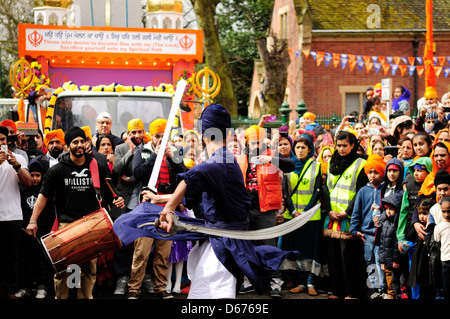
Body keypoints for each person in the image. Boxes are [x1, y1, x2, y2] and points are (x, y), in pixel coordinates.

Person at [157, 104, 300, 299]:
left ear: (205, 135)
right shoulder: (223, 159)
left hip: (224, 243)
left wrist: (168, 208)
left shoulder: (221, 159)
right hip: (218, 239)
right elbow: (197, 190)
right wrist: (160, 198)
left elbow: (191, 177)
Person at [26, 126, 125, 299]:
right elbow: (43, 197)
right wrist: (33, 220)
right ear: (68, 145)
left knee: (89, 271)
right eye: (75, 142)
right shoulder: (57, 170)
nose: (79, 145)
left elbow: (110, 194)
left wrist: (118, 199)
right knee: (62, 271)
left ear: (86, 143)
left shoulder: (97, 167)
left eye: (82, 141)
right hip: (66, 225)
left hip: (92, 225)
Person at [128, 118, 186, 299]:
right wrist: (155, 155)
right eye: (157, 136)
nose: (161, 139)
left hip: (168, 208)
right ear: (150, 137)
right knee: (141, 252)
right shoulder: (142, 151)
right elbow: (137, 174)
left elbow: (185, 174)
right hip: (147, 207)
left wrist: (173, 158)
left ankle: (161, 287)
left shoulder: (174, 152)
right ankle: (133, 289)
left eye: (164, 136)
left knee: (163, 252)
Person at [236, 124, 295, 298]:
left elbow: (290, 165)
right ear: (247, 142)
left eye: (259, 142)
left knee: (270, 247)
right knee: (248, 247)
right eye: (253, 142)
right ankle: (250, 280)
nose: (256, 145)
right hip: (246, 210)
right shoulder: (240, 158)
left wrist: (270, 160)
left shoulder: (271, 155)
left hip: (266, 209)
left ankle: (275, 282)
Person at [322, 130, 369, 299]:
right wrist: (329, 210)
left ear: (353, 146)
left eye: (344, 146)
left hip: (349, 217)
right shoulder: (331, 162)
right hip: (332, 217)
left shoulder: (360, 163)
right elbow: (326, 188)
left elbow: (360, 190)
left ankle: (353, 291)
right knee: (334, 257)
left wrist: (347, 212)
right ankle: (337, 290)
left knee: (349, 257)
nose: (341, 149)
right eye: (338, 145)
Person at [280, 133, 324, 296]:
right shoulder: (288, 166)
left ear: (309, 149)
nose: (300, 150)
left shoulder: (316, 166)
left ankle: (311, 282)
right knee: (297, 250)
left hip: (311, 216)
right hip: (292, 217)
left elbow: (317, 191)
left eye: (303, 147)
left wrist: (305, 212)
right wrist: (292, 211)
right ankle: (300, 282)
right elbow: (285, 192)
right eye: (297, 147)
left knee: (311, 250)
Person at [15, 159, 56, 299]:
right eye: (31, 175)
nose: (34, 178)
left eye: (38, 175)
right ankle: (25, 286)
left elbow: (51, 212)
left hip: (42, 233)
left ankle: (41, 286)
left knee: (41, 261)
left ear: (42, 176)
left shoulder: (45, 193)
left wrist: (48, 229)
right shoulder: (21, 191)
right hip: (25, 233)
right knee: (25, 260)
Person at [0, 126, 32, 299]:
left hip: (12, 216)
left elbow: (28, 184)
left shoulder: (18, 157)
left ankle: (11, 291)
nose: (0, 143)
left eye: (3, 140)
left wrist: (17, 167)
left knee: (11, 258)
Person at [349, 154, 386, 299]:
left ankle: (383, 289)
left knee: (381, 262)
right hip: (368, 235)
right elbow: (356, 212)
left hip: (382, 234)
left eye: (376, 172)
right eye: (370, 172)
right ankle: (373, 289)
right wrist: (354, 230)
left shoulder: (386, 190)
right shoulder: (363, 191)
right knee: (370, 262)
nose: (372, 175)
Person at [376, 192, 404, 299]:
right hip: (387, 260)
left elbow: (397, 243)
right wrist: (382, 261)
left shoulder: (397, 224)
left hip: (395, 261)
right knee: (389, 279)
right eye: (387, 209)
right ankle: (390, 294)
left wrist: (396, 260)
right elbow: (382, 243)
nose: (388, 211)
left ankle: (397, 295)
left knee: (396, 280)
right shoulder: (385, 223)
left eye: (391, 209)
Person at [434, 196, 450, 300]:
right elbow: (437, 241)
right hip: (445, 261)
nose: (446, 214)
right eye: (443, 211)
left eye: (449, 211)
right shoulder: (439, 227)